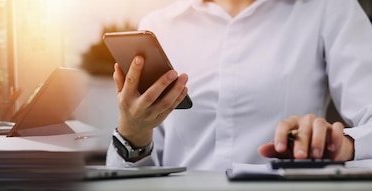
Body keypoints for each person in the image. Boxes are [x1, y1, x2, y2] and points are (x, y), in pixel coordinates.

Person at [107, 0, 372, 170]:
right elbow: (142, 174)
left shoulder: (330, 8)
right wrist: (133, 133)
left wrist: (344, 144)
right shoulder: (159, 25)